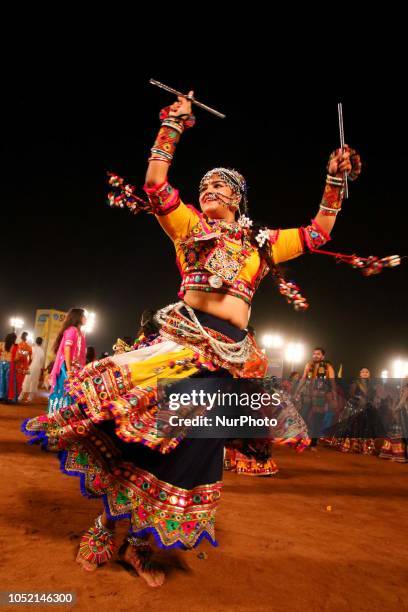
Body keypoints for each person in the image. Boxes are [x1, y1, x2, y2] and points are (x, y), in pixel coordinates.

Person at [23, 90, 359, 586]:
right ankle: (103, 527)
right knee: (140, 435)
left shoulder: (262, 245)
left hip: (227, 364)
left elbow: (319, 232)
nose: (209, 190)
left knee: (186, 453)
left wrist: (336, 178)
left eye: (220, 186)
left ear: (239, 198)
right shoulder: (187, 227)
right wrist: (174, 124)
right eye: (204, 185)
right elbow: (155, 184)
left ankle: (138, 545)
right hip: (183, 348)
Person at [296, 348, 337, 450]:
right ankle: (300, 440)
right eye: (314, 353)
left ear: (323, 356)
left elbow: (332, 382)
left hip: (320, 396)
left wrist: (334, 395)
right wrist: (297, 391)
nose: (315, 355)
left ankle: (313, 443)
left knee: (317, 419)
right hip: (307, 395)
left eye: (318, 354)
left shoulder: (328, 367)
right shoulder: (308, 365)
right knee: (303, 416)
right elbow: (303, 378)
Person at [47, 308, 87, 413]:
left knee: (73, 394)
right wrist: (69, 370)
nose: (86, 319)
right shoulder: (71, 330)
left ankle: (69, 418)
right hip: (67, 367)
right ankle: (58, 418)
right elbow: (67, 349)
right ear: (78, 317)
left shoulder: (80, 333)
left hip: (75, 368)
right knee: (64, 393)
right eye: (84, 316)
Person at [19, 337, 45, 404]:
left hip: (31, 366)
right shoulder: (42, 351)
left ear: (36, 341)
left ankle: (20, 396)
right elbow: (42, 362)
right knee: (34, 381)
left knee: (27, 380)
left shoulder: (32, 348)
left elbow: (27, 356)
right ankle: (30, 398)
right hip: (38, 368)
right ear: (41, 343)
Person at [0, 333, 17, 401]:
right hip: (9, 364)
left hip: (1, 364)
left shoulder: (2, 344)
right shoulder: (15, 346)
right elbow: (16, 358)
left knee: (1, 380)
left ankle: (1, 395)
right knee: (9, 381)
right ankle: (7, 397)